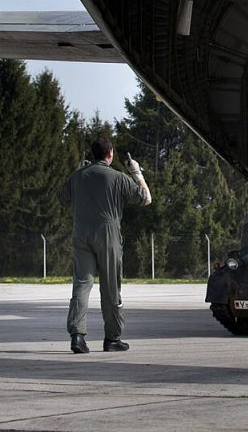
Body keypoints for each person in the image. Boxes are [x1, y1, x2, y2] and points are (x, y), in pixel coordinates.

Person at [60, 137, 151, 354]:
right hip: (108, 233)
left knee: (82, 285)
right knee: (110, 288)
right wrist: (136, 172)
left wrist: (77, 173)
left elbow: (62, 197)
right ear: (109, 154)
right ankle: (112, 338)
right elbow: (146, 198)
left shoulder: (79, 176)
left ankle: (77, 336)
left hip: (81, 233)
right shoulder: (118, 177)